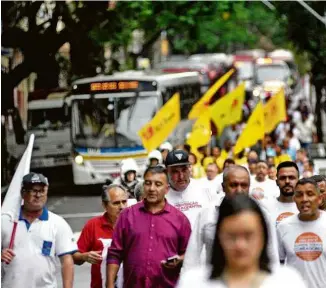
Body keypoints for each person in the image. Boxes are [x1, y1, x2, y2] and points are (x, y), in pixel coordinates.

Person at [178, 195, 306, 288]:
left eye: (248, 235)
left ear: (263, 236)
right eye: (231, 236)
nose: (240, 245)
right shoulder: (193, 282)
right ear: (219, 237)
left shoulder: (287, 282)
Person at [106, 166, 192, 288]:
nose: (152, 189)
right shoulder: (127, 216)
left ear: (167, 189)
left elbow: (190, 254)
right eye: (148, 183)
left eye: (158, 184)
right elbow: (114, 253)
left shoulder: (180, 220)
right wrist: (109, 285)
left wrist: (180, 260)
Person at [182, 166, 280, 271]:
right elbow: (191, 258)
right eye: (233, 185)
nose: (239, 190)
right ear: (223, 187)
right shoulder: (207, 214)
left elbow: (272, 257)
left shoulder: (263, 215)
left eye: (244, 185)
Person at [1, 172, 77, 288]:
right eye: (33, 191)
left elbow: (67, 260)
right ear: (23, 193)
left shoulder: (57, 223)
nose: (38, 195)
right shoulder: (6, 220)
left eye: (42, 191)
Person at [73, 184, 128, 288]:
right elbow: (75, 257)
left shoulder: (135, 224)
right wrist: (84, 256)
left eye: (124, 201)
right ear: (104, 205)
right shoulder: (93, 225)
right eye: (116, 203)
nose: (122, 207)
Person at [277, 178, 326, 288]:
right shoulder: (283, 227)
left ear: (319, 198)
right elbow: (278, 265)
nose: (304, 199)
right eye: (299, 195)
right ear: (294, 199)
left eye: (310, 194)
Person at [165, 149, 220, 227]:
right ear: (167, 171)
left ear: (189, 168)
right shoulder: (162, 195)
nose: (181, 176)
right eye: (175, 172)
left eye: (184, 170)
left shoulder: (206, 189)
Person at [262, 161, 299, 227]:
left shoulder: (306, 208)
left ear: (298, 181)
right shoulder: (266, 207)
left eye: (291, 177)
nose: (287, 181)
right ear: (276, 182)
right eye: (283, 178)